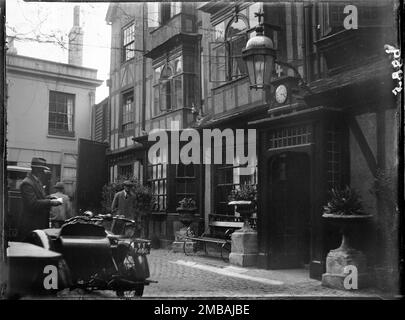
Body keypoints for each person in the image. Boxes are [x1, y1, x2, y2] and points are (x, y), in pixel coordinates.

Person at [19, 157, 62, 240]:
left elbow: (40, 198)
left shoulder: (36, 181)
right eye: (41, 169)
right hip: (31, 224)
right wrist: (51, 202)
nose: (43, 172)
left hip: (37, 223)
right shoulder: (27, 183)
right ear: (35, 169)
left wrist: (50, 197)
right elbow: (32, 204)